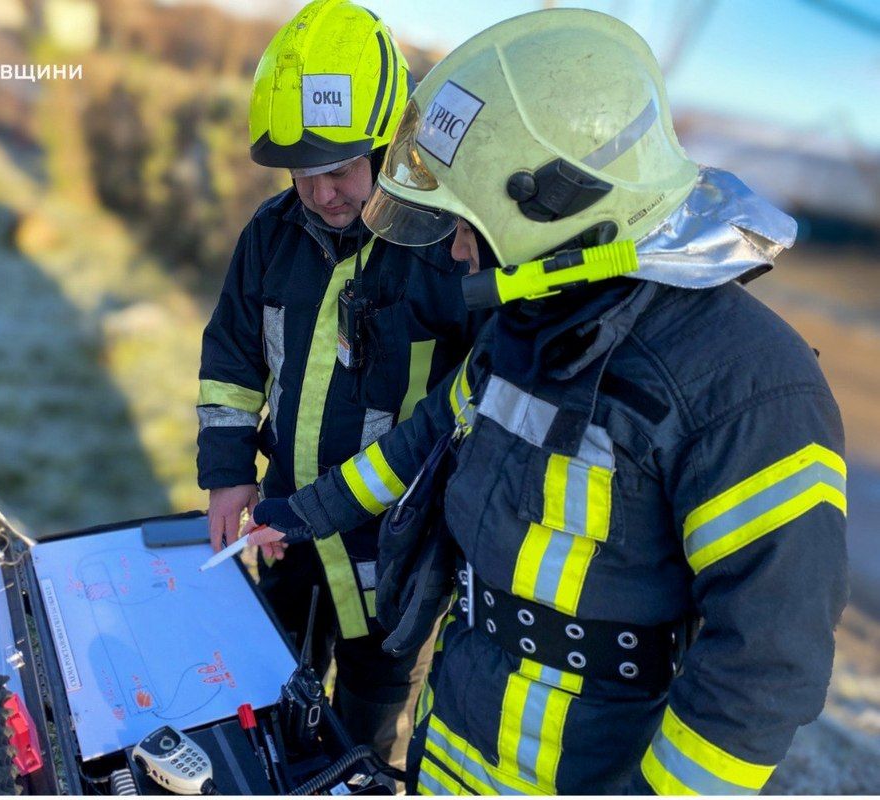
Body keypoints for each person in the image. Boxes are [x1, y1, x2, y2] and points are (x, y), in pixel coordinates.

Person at [246, 8, 849, 794]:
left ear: (552, 205)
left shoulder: (749, 386)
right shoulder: (527, 324)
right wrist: (303, 513)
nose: (457, 251)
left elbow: (765, 665)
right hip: (454, 741)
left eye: (468, 225)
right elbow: (426, 438)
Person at [196, 0, 486, 765]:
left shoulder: (445, 253)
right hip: (283, 528)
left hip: (391, 558)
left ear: (390, 147)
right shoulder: (270, 234)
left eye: (342, 169)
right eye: (304, 174)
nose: (323, 194)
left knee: (359, 728)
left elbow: (473, 405)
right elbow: (231, 357)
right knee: (268, 693)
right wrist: (228, 476)